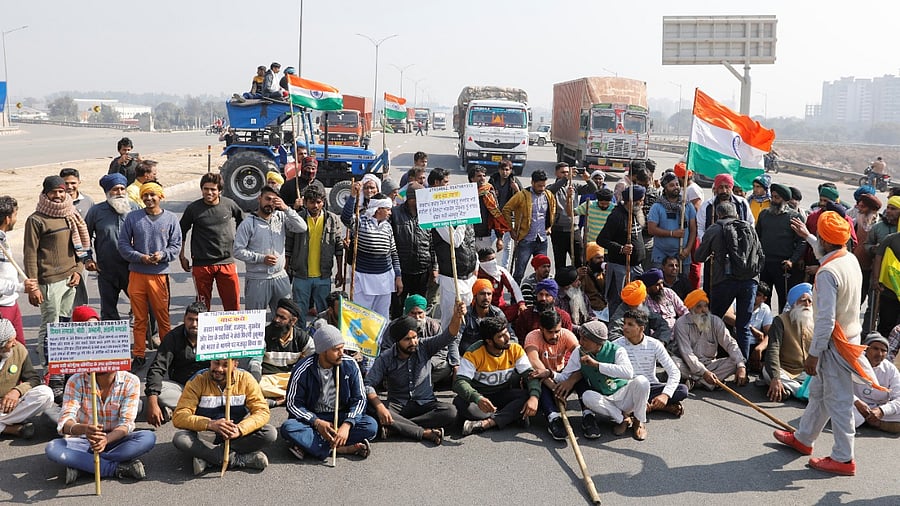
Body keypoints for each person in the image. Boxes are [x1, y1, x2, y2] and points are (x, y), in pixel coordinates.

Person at [774, 211, 880, 476]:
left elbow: (825, 320)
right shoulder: (849, 259)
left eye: (818, 235)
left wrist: (813, 354)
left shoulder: (826, 274)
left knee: (839, 401)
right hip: (846, 339)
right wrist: (808, 236)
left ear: (825, 238)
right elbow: (826, 254)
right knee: (819, 393)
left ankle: (844, 459)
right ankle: (804, 438)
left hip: (834, 344)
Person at [365, 300, 465, 445]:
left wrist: (456, 316)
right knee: (371, 408)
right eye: (407, 339)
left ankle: (399, 428)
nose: (413, 342)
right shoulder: (386, 357)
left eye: (414, 337)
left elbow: (449, 336)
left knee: (451, 412)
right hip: (398, 405)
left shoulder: (424, 346)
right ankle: (423, 432)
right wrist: (380, 407)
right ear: (397, 341)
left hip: (425, 404)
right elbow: (368, 384)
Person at [281, 324, 378, 461]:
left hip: (341, 416)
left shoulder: (349, 364)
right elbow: (293, 404)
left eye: (342, 347)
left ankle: (310, 445)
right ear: (322, 351)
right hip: (314, 419)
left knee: (371, 426)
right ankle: (341, 449)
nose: (341, 353)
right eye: (336, 349)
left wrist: (347, 424)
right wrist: (316, 422)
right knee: (288, 428)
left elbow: (360, 399)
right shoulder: (303, 368)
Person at [46, 369, 154, 484]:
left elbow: (126, 424)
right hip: (85, 441)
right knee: (53, 448)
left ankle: (86, 466)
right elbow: (65, 422)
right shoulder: (76, 380)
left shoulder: (131, 381)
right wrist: (85, 429)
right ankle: (117, 468)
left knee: (148, 437)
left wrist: (106, 440)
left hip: (116, 439)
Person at [24, 176, 89, 367]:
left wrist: (78, 270)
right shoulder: (36, 220)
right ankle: (48, 366)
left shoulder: (70, 213)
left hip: (71, 278)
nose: (59, 195)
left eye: (61, 191)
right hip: (49, 280)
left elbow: (78, 248)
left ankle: (62, 362)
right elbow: (30, 255)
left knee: (65, 321)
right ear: (45, 194)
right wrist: (33, 286)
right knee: (50, 324)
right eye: (54, 192)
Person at [172, 358, 276, 474]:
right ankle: (238, 459)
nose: (219, 369)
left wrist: (240, 429)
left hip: (234, 435)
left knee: (269, 433)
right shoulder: (198, 380)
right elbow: (179, 416)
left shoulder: (246, 379)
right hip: (205, 435)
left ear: (235, 365)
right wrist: (209, 424)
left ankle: (209, 458)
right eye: (216, 363)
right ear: (210, 362)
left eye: (225, 365)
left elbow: (262, 411)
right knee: (181, 439)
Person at [118, 182, 181, 368]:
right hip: (137, 273)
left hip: (159, 275)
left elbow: (176, 246)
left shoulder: (170, 218)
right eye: (145, 195)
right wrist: (140, 257)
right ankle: (138, 354)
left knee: (163, 317)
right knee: (139, 318)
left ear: (160, 196)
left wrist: (162, 255)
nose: (148, 198)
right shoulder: (133, 217)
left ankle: (167, 354)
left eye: (152, 195)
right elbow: (123, 245)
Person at [553, 320, 650, 441]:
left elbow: (628, 373)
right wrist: (550, 373)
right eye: (581, 338)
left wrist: (597, 365)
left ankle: (638, 422)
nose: (580, 342)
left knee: (642, 382)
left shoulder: (617, 350)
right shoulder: (578, 352)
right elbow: (565, 376)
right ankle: (622, 419)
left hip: (625, 396)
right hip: (605, 399)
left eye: (585, 339)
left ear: (597, 343)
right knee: (587, 396)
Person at [695, 201, 762, 359]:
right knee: (743, 326)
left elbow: (699, 256)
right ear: (736, 214)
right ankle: (742, 366)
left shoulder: (715, 228)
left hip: (724, 280)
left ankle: (710, 359)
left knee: (714, 321)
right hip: (750, 280)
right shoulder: (748, 228)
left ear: (719, 215)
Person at [453, 316, 540, 437]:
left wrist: (534, 397)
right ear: (489, 341)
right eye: (500, 336)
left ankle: (487, 423)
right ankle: (511, 415)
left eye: (507, 333)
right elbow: (460, 382)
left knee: (527, 396)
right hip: (481, 398)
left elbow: (530, 375)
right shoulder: (473, 353)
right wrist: (477, 398)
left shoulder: (515, 348)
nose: (507, 338)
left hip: (502, 394)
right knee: (460, 403)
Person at [234, 185, 306, 314]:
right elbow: (238, 251)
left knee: (286, 317)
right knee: (255, 321)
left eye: (274, 200)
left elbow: (302, 227)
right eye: (267, 199)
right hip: (258, 279)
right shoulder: (248, 223)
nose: (270, 203)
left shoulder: (281, 217)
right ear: (259, 198)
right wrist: (261, 258)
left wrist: (286, 208)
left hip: (280, 276)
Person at [179, 172, 244, 311]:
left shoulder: (229, 204)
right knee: (202, 308)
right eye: (205, 189)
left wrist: (240, 242)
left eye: (213, 189)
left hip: (226, 262)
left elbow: (243, 222)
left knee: (233, 305)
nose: (209, 192)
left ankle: (232, 332)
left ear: (219, 191)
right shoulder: (193, 209)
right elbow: (181, 231)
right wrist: (181, 255)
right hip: (201, 264)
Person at [84, 174, 141, 322]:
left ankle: (149, 337)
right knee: (109, 310)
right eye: (116, 190)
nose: (120, 192)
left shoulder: (135, 208)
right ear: (108, 192)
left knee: (141, 306)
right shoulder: (96, 211)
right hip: (107, 269)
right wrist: (88, 259)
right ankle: (112, 343)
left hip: (133, 267)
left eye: (122, 189)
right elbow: (85, 237)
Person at [144, 302, 210, 427]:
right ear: (184, 319)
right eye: (190, 319)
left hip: (211, 389)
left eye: (198, 320)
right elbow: (157, 368)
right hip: (183, 389)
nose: (194, 324)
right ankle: (202, 411)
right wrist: (152, 403)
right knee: (160, 390)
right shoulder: (173, 337)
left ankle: (182, 412)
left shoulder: (215, 336)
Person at [286, 186, 344, 323]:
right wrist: (286, 267)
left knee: (325, 312)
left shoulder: (333, 219)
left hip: (323, 276)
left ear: (323, 202)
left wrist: (340, 272)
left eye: (318, 202)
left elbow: (338, 247)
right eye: (311, 202)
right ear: (305, 203)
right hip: (301, 275)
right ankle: (300, 341)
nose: (315, 206)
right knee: (299, 312)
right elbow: (288, 245)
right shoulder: (297, 219)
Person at [615, 308, 687, 417]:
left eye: (630, 324)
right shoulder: (616, 345)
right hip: (628, 389)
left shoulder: (654, 344)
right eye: (624, 323)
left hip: (650, 387)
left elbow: (674, 372)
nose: (625, 327)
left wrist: (665, 395)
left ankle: (646, 407)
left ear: (641, 328)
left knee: (682, 390)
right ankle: (659, 407)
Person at [672, 289, 748, 391]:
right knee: (674, 363)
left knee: (736, 362)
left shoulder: (715, 321)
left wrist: (741, 366)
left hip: (710, 365)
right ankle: (707, 382)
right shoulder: (681, 324)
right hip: (688, 365)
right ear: (690, 310)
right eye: (699, 306)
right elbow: (687, 354)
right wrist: (704, 373)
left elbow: (730, 343)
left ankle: (696, 382)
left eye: (705, 306)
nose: (704, 310)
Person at [341, 188, 401, 318]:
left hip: (385, 278)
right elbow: (345, 218)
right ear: (378, 209)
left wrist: (398, 275)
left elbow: (393, 252)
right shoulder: (361, 222)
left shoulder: (387, 227)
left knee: (382, 317)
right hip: (363, 278)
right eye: (388, 209)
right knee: (361, 315)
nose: (390, 213)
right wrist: (352, 196)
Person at [523, 309, 579, 440]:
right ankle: (553, 418)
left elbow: (582, 359)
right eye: (550, 332)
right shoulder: (532, 336)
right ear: (541, 329)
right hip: (543, 375)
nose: (554, 336)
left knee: (582, 376)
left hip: (559, 375)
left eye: (557, 331)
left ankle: (588, 415)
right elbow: (534, 361)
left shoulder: (567, 335)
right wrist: (554, 388)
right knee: (536, 377)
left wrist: (569, 382)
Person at [383, 294, 458, 385]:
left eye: (420, 313)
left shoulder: (434, 326)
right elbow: (386, 349)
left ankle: (413, 384)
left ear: (425, 312)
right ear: (406, 313)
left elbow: (442, 352)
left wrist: (426, 365)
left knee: (445, 368)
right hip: (401, 365)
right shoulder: (395, 326)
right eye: (413, 313)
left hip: (426, 366)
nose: (417, 317)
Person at [251, 298, 313, 403]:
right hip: (269, 379)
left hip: (291, 377)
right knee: (258, 387)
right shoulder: (264, 335)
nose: (276, 320)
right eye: (276, 315)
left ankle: (285, 397)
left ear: (293, 321)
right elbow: (255, 362)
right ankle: (293, 396)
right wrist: (255, 379)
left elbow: (315, 359)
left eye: (282, 318)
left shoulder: (302, 338)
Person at [597, 185, 647, 316]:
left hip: (636, 267)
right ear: (630, 201)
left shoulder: (636, 212)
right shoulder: (616, 216)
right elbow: (601, 240)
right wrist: (621, 248)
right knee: (618, 301)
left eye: (642, 200)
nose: (641, 203)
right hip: (620, 268)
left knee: (636, 301)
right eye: (639, 200)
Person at [0, 319, 54, 439]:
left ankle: (3, 425)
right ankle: (10, 429)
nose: (14, 343)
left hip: (11, 404)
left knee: (46, 393)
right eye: (10, 341)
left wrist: (16, 391)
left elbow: (33, 379)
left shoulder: (19, 349)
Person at [756, 183, 805, 311]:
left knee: (784, 301)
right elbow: (757, 237)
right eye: (772, 197)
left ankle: (782, 328)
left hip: (783, 266)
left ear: (785, 199)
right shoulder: (764, 215)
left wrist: (792, 260)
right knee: (762, 300)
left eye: (777, 198)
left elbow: (802, 242)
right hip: (765, 264)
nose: (774, 200)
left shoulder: (794, 217)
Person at [761, 283, 814, 402]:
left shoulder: (815, 320)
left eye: (810, 301)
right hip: (786, 370)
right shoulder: (780, 320)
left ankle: (789, 390)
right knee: (767, 372)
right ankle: (803, 393)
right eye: (803, 300)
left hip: (808, 371)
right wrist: (776, 378)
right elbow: (773, 349)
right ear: (794, 302)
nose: (807, 304)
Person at [503, 170, 557, 283]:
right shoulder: (522, 195)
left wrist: (549, 226)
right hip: (525, 239)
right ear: (532, 182)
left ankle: (540, 296)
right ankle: (515, 297)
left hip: (542, 239)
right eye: (539, 186)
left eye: (544, 185)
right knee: (519, 272)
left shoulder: (549, 195)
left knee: (543, 272)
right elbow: (506, 209)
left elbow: (552, 211)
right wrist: (511, 229)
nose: (542, 188)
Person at [390, 182, 432, 318]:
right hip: (401, 271)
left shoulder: (427, 213)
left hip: (422, 270)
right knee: (397, 308)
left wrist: (435, 267)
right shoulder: (395, 214)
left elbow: (432, 242)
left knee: (419, 309)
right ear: (410, 199)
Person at [0, 196, 38, 345]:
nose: (16, 219)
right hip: (3, 308)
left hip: (11, 303)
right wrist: (21, 287)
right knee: (6, 350)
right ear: (8, 219)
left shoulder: (3, 239)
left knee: (19, 349)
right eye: (15, 215)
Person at [432, 209, 477, 330]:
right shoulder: (440, 221)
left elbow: (472, 242)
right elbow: (456, 241)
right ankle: (447, 346)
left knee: (467, 316)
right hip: (451, 279)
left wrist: (475, 265)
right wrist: (462, 220)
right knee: (450, 318)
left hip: (468, 277)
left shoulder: (469, 220)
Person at [547, 162, 597, 268]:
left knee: (579, 260)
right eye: (563, 172)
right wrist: (566, 178)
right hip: (558, 230)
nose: (566, 174)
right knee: (560, 262)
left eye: (567, 172)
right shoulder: (552, 187)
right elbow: (551, 191)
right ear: (556, 173)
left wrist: (587, 178)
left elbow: (593, 190)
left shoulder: (574, 186)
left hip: (574, 229)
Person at [647, 172, 696, 272]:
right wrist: (672, 234)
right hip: (661, 255)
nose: (675, 187)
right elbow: (651, 230)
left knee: (682, 285)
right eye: (671, 185)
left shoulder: (687, 205)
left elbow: (693, 229)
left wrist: (688, 249)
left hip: (682, 255)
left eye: (677, 184)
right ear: (665, 188)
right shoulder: (657, 206)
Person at [852, 333, 900, 433]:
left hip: (879, 408)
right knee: (842, 409)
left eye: (883, 350)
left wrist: (882, 411)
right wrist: (857, 402)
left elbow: (898, 397)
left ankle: (875, 422)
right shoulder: (853, 363)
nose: (879, 353)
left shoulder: (890, 369)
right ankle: (872, 421)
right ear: (866, 349)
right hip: (855, 406)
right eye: (875, 348)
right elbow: (840, 387)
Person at [607, 279, 673, 345]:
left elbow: (663, 325)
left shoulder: (642, 308)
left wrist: (659, 343)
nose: (644, 300)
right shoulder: (619, 316)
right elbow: (614, 337)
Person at [505, 278, 573, 340]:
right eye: (541, 294)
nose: (543, 298)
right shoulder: (525, 316)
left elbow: (568, 341)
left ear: (554, 298)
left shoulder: (564, 317)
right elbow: (521, 340)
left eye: (547, 295)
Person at [459, 279, 511, 356]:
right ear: (475, 296)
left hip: (492, 357)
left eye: (489, 294)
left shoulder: (497, 313)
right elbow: (454, 340)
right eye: (482, 294)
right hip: (468, 358)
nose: (486, 297)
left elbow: (511, 334)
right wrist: (455, 363)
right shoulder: (465, 314)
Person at [696, 173, 754, 239]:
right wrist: (708, 243)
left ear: (731, 188)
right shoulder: (707, 206)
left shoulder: (742, 203)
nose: (724, 191)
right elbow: (700, 228)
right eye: (721, 187)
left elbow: (751, 223)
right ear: (716, 188)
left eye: (727, 187)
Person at [489, 159, 522, 268]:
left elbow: (522, 199)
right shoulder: (493, 180)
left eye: (507, 170)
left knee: (507, 246)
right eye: (502, 169)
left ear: (511, 170)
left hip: (509, 218)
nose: (505, 172)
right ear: (499, 170)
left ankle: (504, 268)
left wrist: (517, 190)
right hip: (494, 217)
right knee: (489, 243)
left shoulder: (514, 182)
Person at [469, 165, 510, 252]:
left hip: (484, 236)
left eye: (484, 176)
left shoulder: (488, 193)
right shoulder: (465, 194)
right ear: (472, 178)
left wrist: (499, 238)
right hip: (468, 237)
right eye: (479, 176)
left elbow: (496, 215)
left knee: (485, 263)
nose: (482, 178)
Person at [641, 268, 688, 334]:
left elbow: (683, 309)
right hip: (657, 335)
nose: (661, 287)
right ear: (648, 287)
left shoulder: (668, 292)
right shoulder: (643, 300)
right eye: (657, 285)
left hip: (676, 332)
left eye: (662, 283)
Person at [574, 188, 615, 262]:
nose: (605, 206)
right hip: (591, 247)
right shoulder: (589, 205)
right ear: (598, 201)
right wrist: (568, 198)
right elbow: (571, 213)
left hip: (607, 249)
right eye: (602, 204)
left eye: (607, 204)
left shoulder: (614, 209)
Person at [581, 242, 606, 314]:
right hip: (592, 310)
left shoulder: (603, 274)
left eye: (602, 258)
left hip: (605, 308)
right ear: (590, 259)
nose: (601, 261)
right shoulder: (583, 274)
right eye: (598, 258)